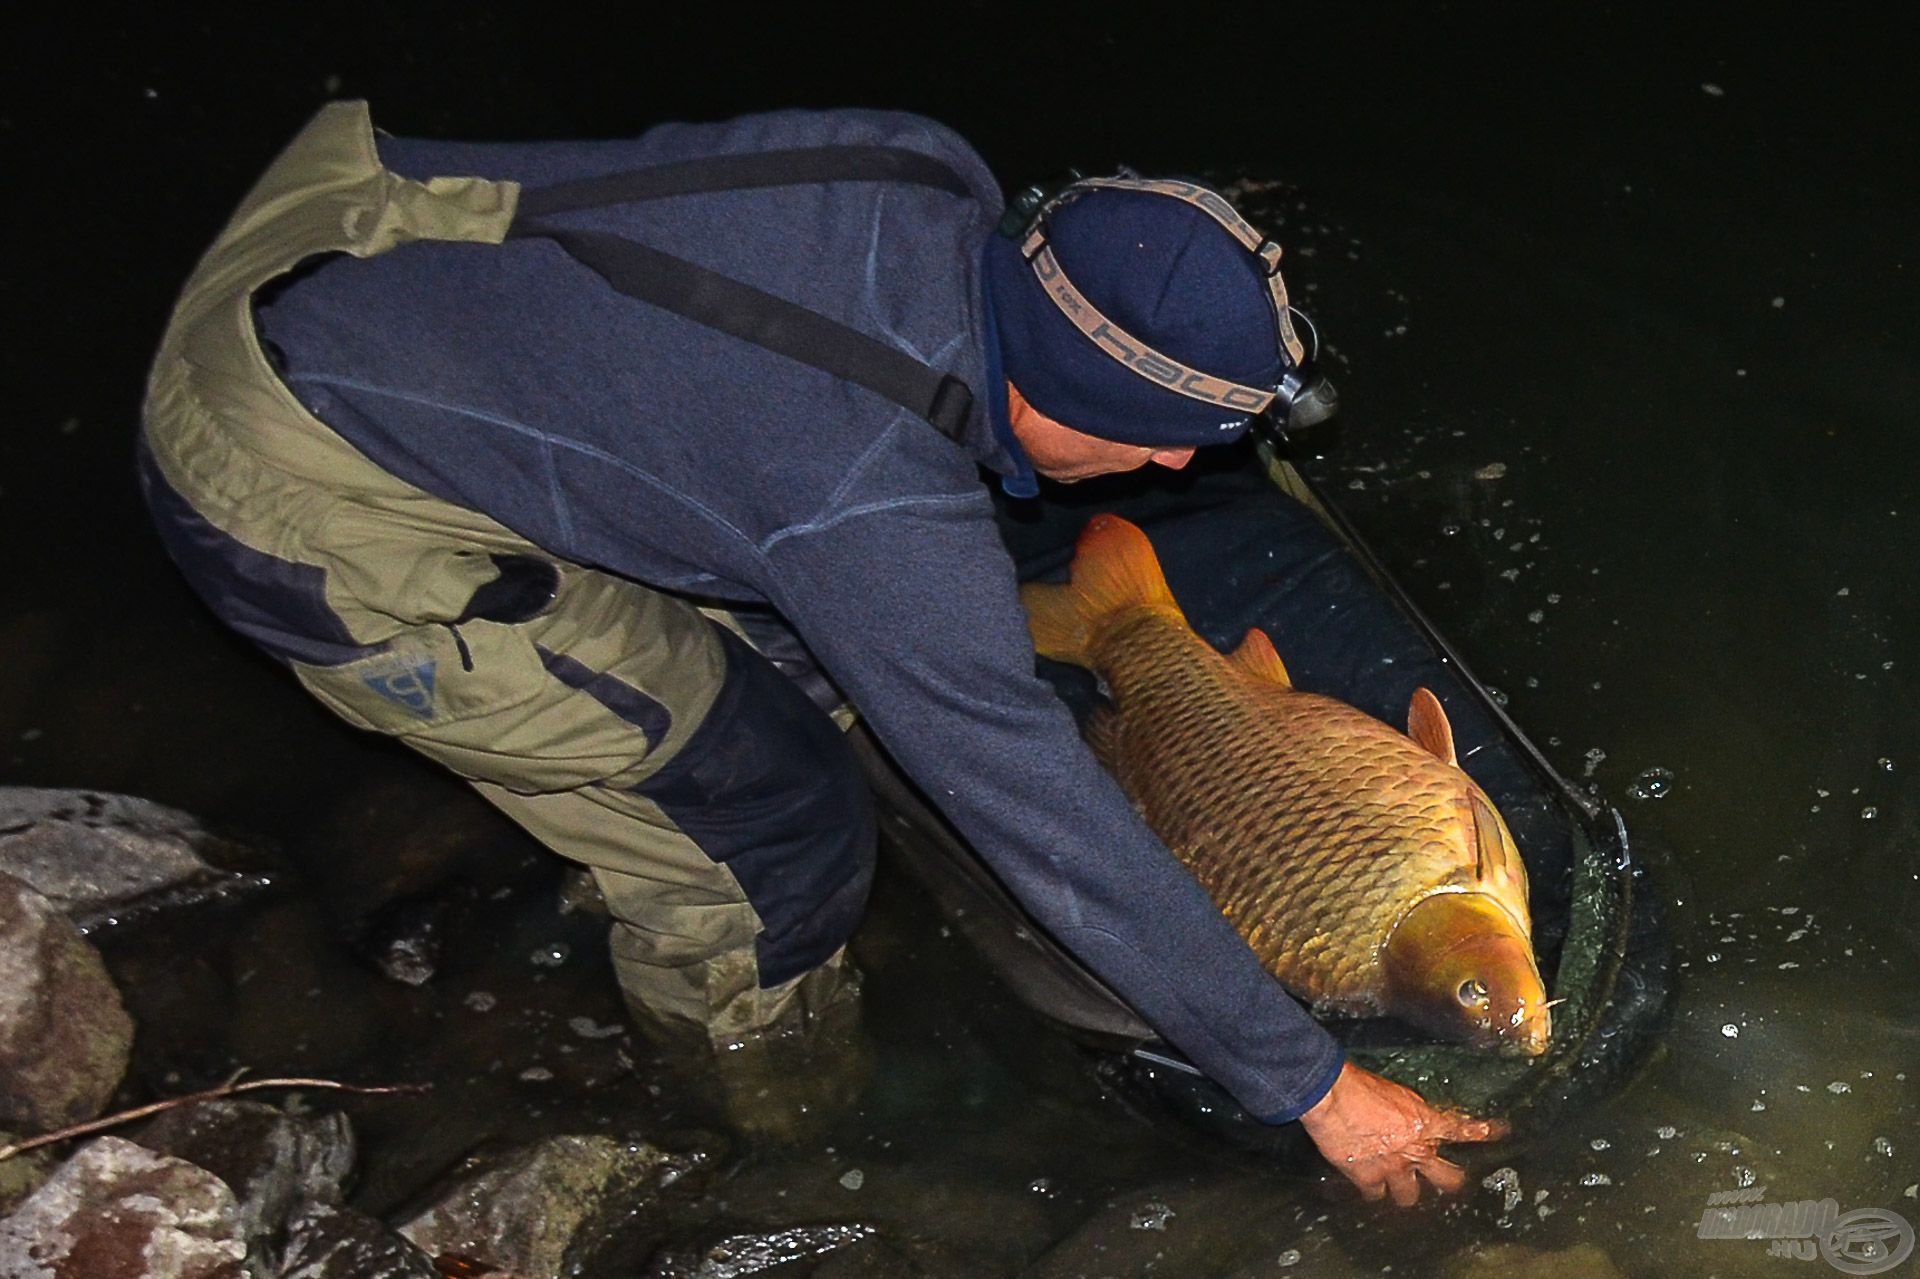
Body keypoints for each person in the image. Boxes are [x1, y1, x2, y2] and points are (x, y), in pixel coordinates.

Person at [139, 100, 1503, 1203]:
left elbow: (774, 422)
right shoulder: (872, 505)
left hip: (352, 232)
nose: (1157, 468)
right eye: (1151, 438)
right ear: (1055, 392)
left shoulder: (924, 168)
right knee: (766, 828)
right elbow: (1046, 826)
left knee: (803, 649)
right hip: (292, 478)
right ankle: (766, 1121)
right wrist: (1315, 1088)